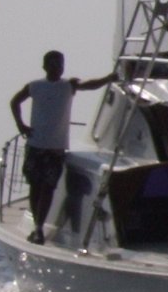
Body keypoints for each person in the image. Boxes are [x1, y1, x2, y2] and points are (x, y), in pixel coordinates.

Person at [9, 51, 114, 244]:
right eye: (54, 64)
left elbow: (90, 85)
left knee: (48, 187)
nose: (58, 67)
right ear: (45, 66)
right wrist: (21, 125)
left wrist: (108, 79)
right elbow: (15, 101)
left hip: (55, 148)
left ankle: (39, 228)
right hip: (36, 145)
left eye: (60, 64)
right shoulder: (35, 86)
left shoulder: (68, 86)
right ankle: (36, 225)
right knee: (35, 187)